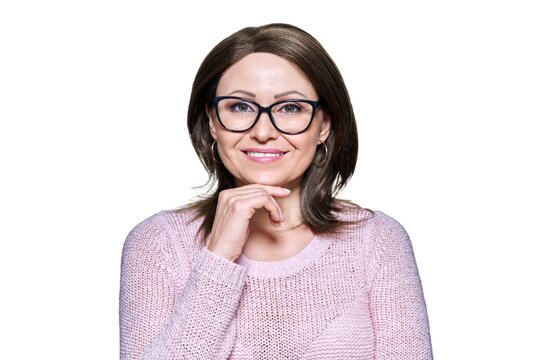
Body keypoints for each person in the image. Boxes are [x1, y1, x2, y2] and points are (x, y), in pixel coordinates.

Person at [119, 23, 433, 359]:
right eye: (239, 107)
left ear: (324, 124)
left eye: (291, 108)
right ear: (212, 120)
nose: (264, 131)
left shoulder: (378, 240)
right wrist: (219, 257)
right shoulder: (158, 244)